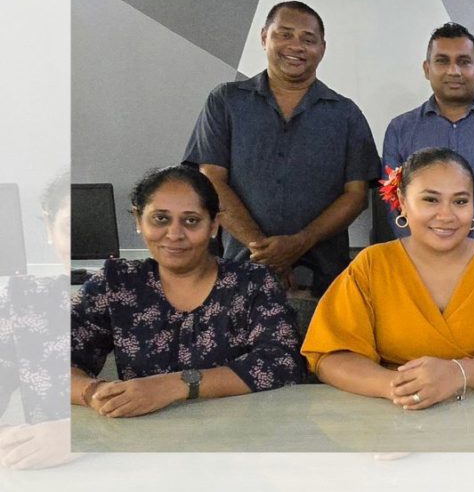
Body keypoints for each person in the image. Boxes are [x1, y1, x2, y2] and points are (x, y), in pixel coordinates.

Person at [302, 147, 474, 410]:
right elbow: (330, 355)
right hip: (391, 412)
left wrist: (457, 375)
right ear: (403, 202)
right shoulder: (372, 264)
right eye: (431, 200)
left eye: (460, 201)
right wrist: (401, 387)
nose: (446, 215)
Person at [70, 166, 302, 418]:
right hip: (142, 432)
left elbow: (282, 362)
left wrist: (174, 386)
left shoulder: (253, 282)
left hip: (240, 432)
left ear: (214, 225)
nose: (174, 234)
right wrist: (95, 393)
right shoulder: (116, 282)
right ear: (138, 220)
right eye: (160, 219)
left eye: (191, 220)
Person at [184, 0, 380, 295]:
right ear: (264, 37)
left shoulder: (346, 114)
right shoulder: (225, 102)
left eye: (308, 39)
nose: (296, 46)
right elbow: (211, 181)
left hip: (324, 281)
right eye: (285, 34)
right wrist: (267, 253)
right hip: (242, 273)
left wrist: (300, 242)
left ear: (322, 49)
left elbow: (356, 196)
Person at [382, 22, 474, 245]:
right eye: (442, 61)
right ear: (427, 69)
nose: (454, 71)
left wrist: (471, 251)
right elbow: (394, 203)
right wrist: (427, 250)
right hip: (419, 259)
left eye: (463, 62)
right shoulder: (400, 130)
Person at [0, 171, 75, 469]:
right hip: (51, 475)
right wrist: (12, 439)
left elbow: (193, 410)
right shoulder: (24, 300)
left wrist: (84, 435)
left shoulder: (163, 300)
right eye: (70, 227)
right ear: (49, 227)